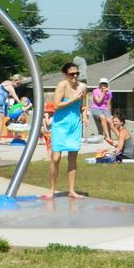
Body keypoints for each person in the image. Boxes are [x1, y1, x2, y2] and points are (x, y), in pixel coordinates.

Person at [46, 62, 88, 199]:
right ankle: (52, 189)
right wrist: (72, 100)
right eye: (71, 74)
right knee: (56, 157)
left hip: (74, 125)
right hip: (60, 124)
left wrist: (85, 116)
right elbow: (57, 105)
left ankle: (71, 190)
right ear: (65, 75)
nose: (75, 76)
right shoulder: (62, 85)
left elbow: (83, 106)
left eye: (77, 73)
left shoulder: (82, 87)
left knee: (72, 158)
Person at [0, 74, 23, 162]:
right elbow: (15, 97)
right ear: (15, 81)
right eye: (18, 84)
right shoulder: (10, 87)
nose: (18, 86)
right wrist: (21, 105)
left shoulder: (5, 82)